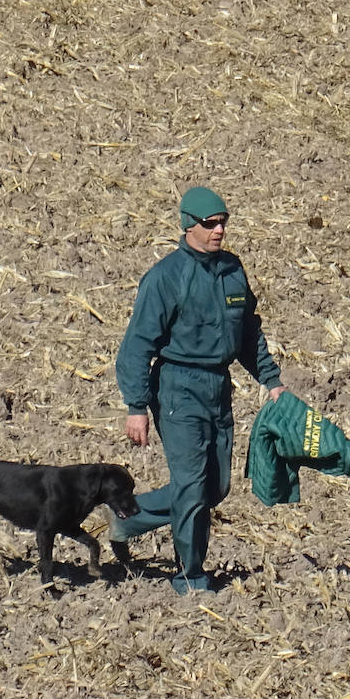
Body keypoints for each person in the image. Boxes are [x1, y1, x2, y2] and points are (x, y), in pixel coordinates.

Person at [111, 186, 286, 594]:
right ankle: (191, 577)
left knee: (214, 487)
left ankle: (129, 517)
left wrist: (270, 379)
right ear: (189, 225)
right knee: (191, 486)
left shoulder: (232, 270)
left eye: (224, 221)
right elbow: (137, 344)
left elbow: (247, 330)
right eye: (210, 223)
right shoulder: (166, 277)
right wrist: (136, 405)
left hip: (218, 387)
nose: (219, 229)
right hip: (177, 388)